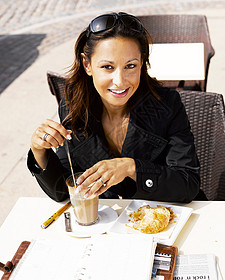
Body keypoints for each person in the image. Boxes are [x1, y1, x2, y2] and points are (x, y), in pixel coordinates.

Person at [27, 12, 201, 203]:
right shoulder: (73, 108)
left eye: (130, 66)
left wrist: (131, 168)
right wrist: (39, 150)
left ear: (142, 63)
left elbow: (188, 185)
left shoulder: (167, 105)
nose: (119, 81)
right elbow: (63, 190)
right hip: (107, 226)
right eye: (108, 67)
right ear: (87, 64)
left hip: (164, 220)